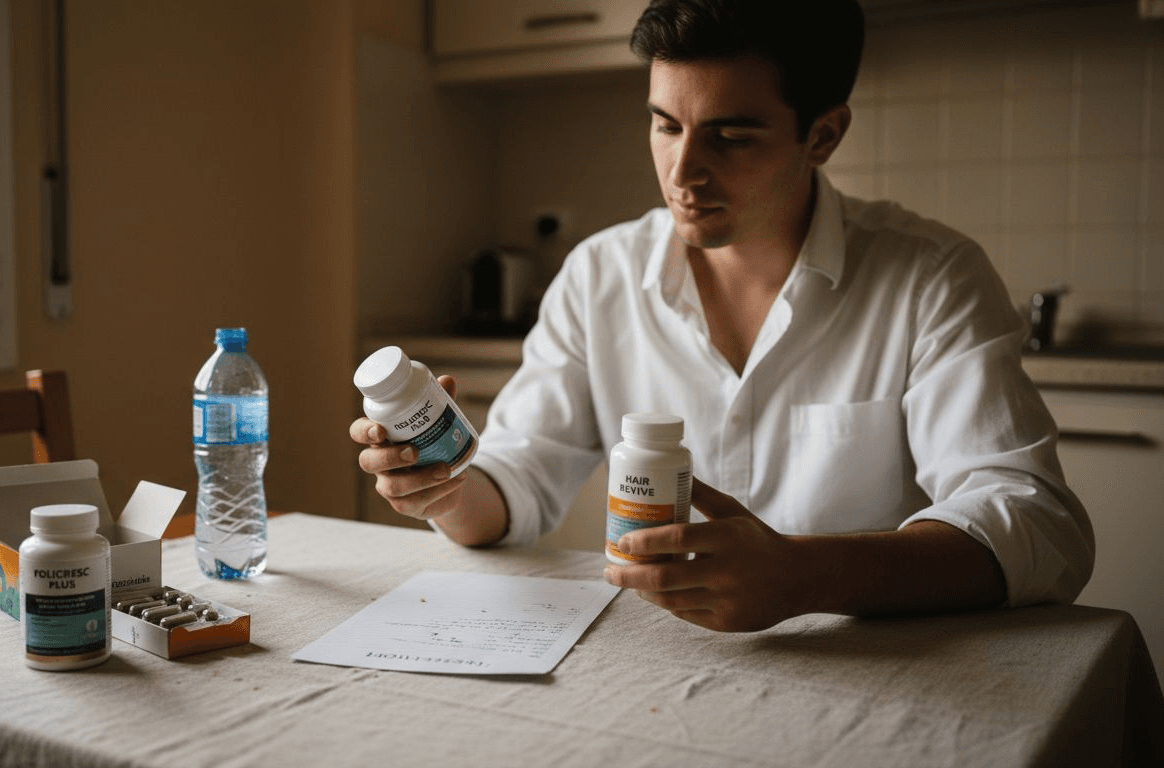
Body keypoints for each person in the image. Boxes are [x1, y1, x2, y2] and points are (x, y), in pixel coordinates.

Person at [350, 0, 1093, 632]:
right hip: (652, 671)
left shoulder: (930, 277)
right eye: (666, 125)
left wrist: (806, 575)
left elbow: (1036, 523)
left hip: (869, 676)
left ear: (823, 135)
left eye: (730, 137)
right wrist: (444, 490)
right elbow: (515, 482)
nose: (683, 172)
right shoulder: (600, 275)